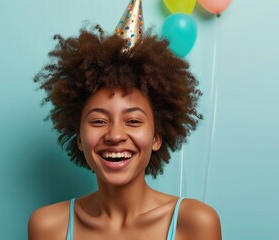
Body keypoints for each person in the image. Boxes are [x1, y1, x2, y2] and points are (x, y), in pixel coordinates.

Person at [28, 24, 222, 240]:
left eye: (132, 120)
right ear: (79, 138)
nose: (115, 135)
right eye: (99, 120)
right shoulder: (48, 226)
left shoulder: (194, 223)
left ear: (157, 137)